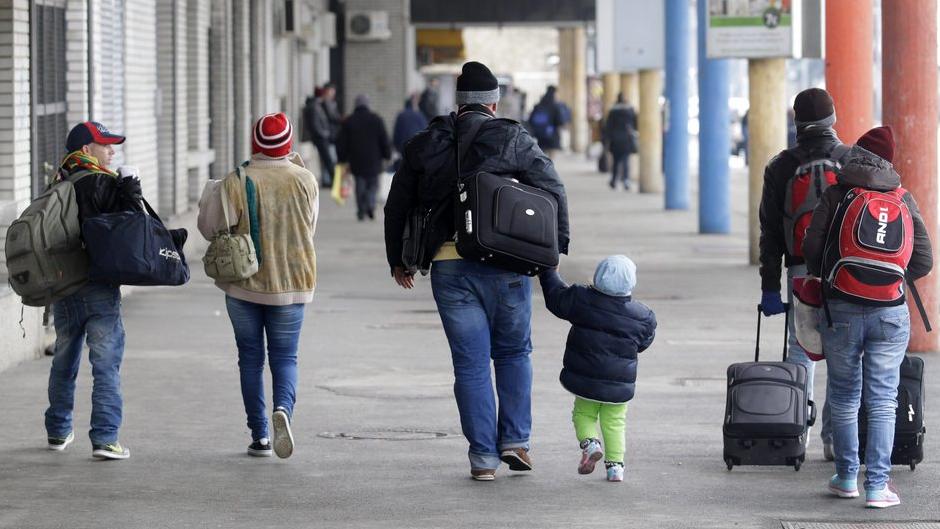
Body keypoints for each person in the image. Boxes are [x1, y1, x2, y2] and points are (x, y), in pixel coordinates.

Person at [384, 61, 570, 481]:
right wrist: (555, 247)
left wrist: (399, 258)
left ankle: (483, 459)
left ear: (457, 102)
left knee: (469, 366)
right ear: (494, 103)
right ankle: (516, 442)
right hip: (507, 264)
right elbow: (552, 188)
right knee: (513, 352)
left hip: (450, 269)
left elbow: (397, 204)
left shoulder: (425, 142)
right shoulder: (513, 137)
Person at [803, 126, 932, 508]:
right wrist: (885, 277)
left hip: (840, 306)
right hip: (889, 312)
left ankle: (846, 477)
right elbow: (923, 260)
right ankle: (877, 486)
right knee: (882, 400)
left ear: (857, 153)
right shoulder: (902, 198)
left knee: (844, 397)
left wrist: (835, 277)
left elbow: (812, 248)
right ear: (888, 160)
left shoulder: (837, 192)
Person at [211, 112, 319, 459]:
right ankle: (283, 411)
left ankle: (259, 435)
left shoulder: (236, 181)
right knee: (286, 357)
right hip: (292, 281)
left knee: (250, 359)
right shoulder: (304, 179)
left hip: (244, 284)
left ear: (255, 143)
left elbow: (214, 228)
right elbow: (309, 226)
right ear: (288, 143)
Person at [45, 121, 143, 460]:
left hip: (63, 284)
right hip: (98, 285)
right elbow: (131, 226)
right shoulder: (101, 182)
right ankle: (105, 438)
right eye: (105, 145)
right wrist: (130, 187)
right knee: (105, 362)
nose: (112, 151)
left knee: (64, 358)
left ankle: (58, 430)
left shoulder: (58, 181)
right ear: (87, 150)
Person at [758, 87, 844, 458]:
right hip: (844, 274)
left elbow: (771, 235)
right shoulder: (851, 159)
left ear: (796, 122)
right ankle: (833, 439)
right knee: (844, 355)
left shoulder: (780, 166)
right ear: (832, 121)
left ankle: (794, 432)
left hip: (799, 272)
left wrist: (769, 289)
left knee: (800, 350)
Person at [539, 256, 656, 482]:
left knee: (583, 414)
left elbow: (556, 298)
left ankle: (590, 443)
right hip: (619, 383)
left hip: (585, 379)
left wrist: (548, 272)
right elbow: (643, 343)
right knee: (614, 422)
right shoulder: (643, 317)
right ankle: (615, 467)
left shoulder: (581, 300)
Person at [336, 94, 391, 221]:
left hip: (356, 160)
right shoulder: (376, 119)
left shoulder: (349, 121)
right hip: (374, 159)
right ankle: (371, 204)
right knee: (373, 185)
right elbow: (384, 139)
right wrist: (387, 154)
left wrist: (342, 158)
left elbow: (342, 142)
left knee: (360, 184)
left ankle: (361, 209)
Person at [305, 82, 341, 188]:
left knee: (328, 160)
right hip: (321, 138)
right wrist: (324, 133)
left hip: (324, 137)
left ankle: (331, 181)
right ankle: (334, 182)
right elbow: (316, 124)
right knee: (328, 160)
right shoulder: (314, 107)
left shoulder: (317, 106)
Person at [604, 93, 638, 190]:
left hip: (615, 140)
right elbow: (635, 124)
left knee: (616, 161)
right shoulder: (630, 110)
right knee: (626, 161)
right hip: (627, 139)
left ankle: (614, 180)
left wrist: (606, 140)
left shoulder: (613, 111)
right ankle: (626, 180)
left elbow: (608, 127)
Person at [528, 85, 566, 158]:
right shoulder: (555, 106)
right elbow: (560, 121)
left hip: (540, 135)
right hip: (552, 135)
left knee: (542, 156)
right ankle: (549, 168)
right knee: (551, 157)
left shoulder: (539, 105)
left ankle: (544, 168)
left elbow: (531, 120)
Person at [392, 94, 429, 164]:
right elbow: (426, 132)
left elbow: (396, 135)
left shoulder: (400, 115)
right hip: (417, 149)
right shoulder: (420, 115)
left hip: (403, 149)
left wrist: (397, 148)